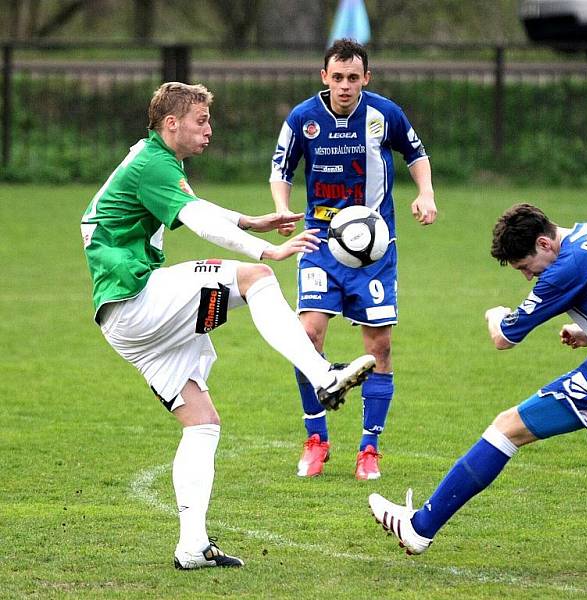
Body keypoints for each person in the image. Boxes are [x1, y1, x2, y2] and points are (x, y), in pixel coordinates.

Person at [80, 82, 375, 570]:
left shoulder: (152, 158)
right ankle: (322, 376)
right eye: (201, 121)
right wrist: (268, 250)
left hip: (123, 322)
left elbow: (200, 209)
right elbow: (199, 222)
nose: (208, 130)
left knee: (202, 424)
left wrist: (255, 223)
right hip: (136, 298)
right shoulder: (153, 163)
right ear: (171, 123)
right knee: (257, 276)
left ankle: (192, 546)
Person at [369, 203, 587, 569]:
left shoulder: (565, 268)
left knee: (507, 428)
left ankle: (418, 528)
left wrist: (496, 314)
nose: (527, 277)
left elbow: (504, 338)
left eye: (525, 267)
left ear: (545, 243)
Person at [269, 38, 437, 480]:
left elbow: (416, 154)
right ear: (324, 77)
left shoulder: (385, 114)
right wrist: (283, 209)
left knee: (379, 346)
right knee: (306, 336)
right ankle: (316, 440)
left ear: (366, 78)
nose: (345, 86)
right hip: (320, 244)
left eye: (353, 78)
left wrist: (426, 193)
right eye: (337, 77)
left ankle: (369, 449)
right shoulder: (302, 119)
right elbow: (281, 170)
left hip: (375, 251)